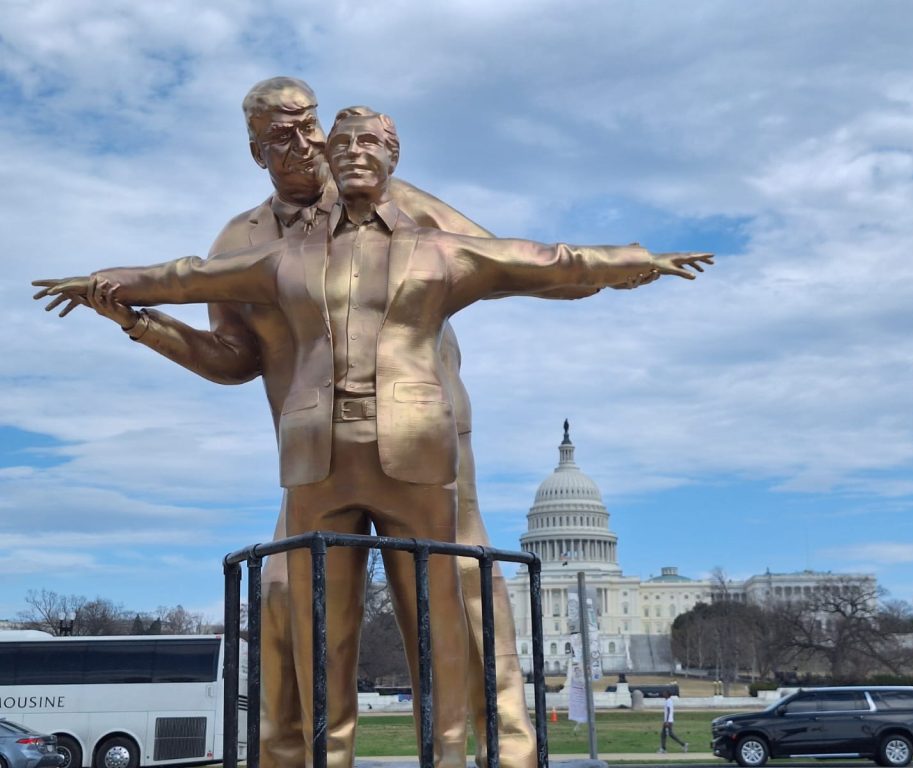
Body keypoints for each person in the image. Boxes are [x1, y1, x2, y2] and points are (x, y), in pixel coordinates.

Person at [36, 105, 714, 768]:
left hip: (417, 450)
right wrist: (111, 289)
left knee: (443, 620)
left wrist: (639, 259)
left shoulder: (439, 246)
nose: (345, 151)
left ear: (393, 157)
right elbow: (186, 277)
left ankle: (454, 753)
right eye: (337, 142)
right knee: (315, 633)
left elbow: (549, 262)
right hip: (315, 456)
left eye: (365, 142)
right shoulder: (277, 254)